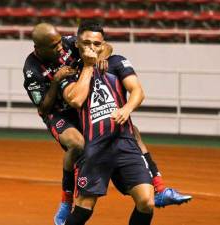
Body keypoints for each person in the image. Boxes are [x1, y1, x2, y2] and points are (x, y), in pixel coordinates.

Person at [23, 23, 191, 225]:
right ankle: (66, 201)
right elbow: (43, 107)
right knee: (77, 144)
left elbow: (105, 46)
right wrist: (57, 80)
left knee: (132, 131)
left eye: (59, 42)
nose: (60, 48)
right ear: (38, 48)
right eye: (54, 46)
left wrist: (100, 58)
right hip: (57, 111)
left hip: (81, 103)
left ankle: (159, 187)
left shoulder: (70, 42)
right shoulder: (32, 69)